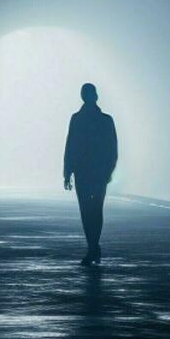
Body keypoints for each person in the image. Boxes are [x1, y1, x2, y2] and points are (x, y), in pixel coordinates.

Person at [63, 82, 117, 264]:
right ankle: (93, 246)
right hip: (94, 172)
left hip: (88, 172)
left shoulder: (79, 119)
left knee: (89, 210)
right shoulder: (103, 120)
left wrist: (67, 170)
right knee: (92, 210)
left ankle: (92, 247)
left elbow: (70, 146)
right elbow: (70, 145)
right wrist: (67, 170)